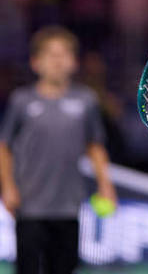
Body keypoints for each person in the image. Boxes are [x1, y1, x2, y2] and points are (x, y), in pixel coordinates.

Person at [0, 26, 117, 274]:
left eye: (64, 54)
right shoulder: (21, 101)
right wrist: (8, 187)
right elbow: (4, 147)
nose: (57, 60)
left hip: (69, 206)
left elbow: (95, 146)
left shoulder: (85, 101)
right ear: (35, 62)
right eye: (51, 54)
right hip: (29, 206)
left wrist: (105, 185)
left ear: (74, 62)